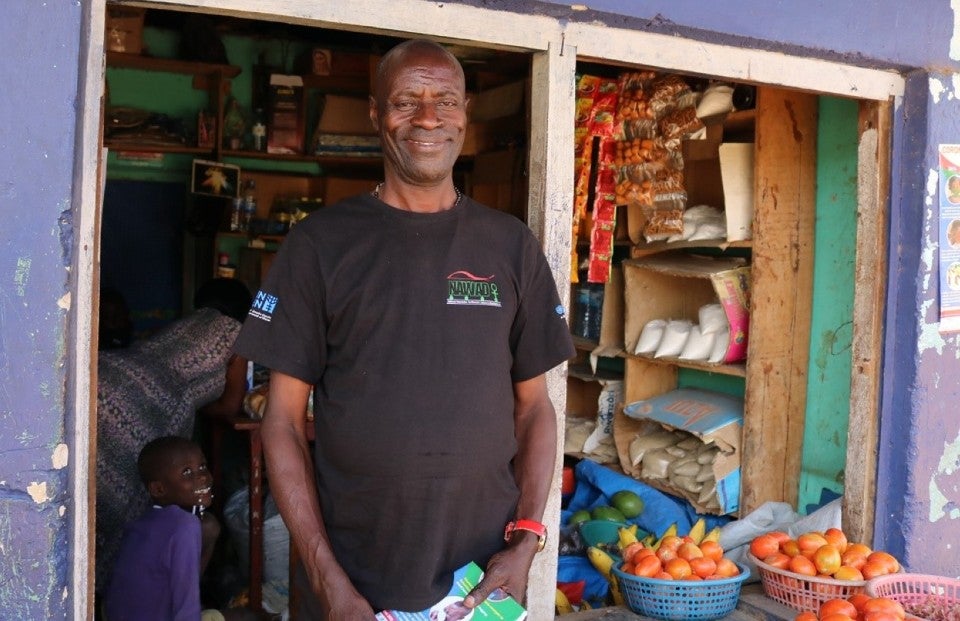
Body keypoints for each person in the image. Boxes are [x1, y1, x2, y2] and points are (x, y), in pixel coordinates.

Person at [232, 38, 575, 617]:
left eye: (445, 100)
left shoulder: (510, 245)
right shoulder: (320, 245)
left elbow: (536, 409)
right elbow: (283, 423)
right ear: (375, 114)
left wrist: (524, 543)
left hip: (481, 585)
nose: (428, 118)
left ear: (465, 113)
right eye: (406, 101)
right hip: (354, 585)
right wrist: (326, 579)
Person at [95, 277, 253, 589]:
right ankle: (121, 593)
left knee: (95, 492)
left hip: (107, 374)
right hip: (150, 401)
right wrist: (194, 400)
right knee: (136, 499)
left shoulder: (189, 323)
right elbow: (229, 405)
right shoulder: (239, 335)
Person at [103, 436, 259, 621]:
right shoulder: (185, 526)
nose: (202, 476)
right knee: (247, 618)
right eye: (186, 472)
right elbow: (186, 608)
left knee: (209, 526)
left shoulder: (146, 522)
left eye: (202, 466)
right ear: (159, 489)